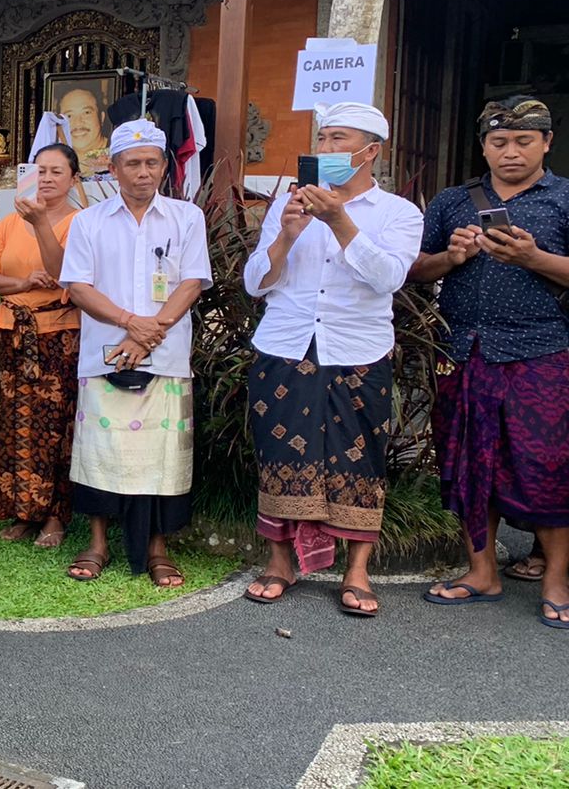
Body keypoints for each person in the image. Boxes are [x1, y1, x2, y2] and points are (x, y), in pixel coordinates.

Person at [240, 103, 422, 615]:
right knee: (278, 455)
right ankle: (279, 561)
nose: (325, 149)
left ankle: (357, 571)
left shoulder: (398, 214)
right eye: (322, 139)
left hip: (358, 350)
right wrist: (287, 235)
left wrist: (339, 220)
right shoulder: (287, 206)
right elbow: (256, 282)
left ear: (370, 151)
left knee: (359, 457)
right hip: (285, 344)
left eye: (338, 138)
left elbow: (388, 278)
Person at [411, 96, 569, 628]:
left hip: (541, 349)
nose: (511, 152)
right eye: (499, 142)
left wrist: (533, 258)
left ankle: (555, 578)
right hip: (463, 350)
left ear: (547, 142)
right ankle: (482, 570)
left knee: (547, 462)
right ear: (483, 146)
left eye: (524, 141)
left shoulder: (563, 199)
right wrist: (452, 257)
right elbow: (418, 270)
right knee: (468, 460)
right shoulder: (455, 201)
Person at [59, 120, 210, 585]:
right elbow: (78, 288)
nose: (143, 172)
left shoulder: (187, 218)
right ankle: (97, 543)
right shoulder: (88, 222)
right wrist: (129, 323)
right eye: (133, 164)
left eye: (151, 163)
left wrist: (147, 333)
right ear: (113, 169)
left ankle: (158, 548)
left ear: (165, 166)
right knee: (101, 451)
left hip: (164, 356)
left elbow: (192, 282)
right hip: (104, 353)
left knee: (161, 456)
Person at [0, 143, 84, 547]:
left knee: (53, 425)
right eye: (41, 171)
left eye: (57, 171)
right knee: (16, 423)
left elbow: (63, 274)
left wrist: (41, 224)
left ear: (74, 178)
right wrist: (21, 283)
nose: (48, 178)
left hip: (58, 333)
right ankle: (22, 511)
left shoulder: (80, 223)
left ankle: (54, 516)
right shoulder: (10, 222)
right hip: (13, 331)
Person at [59, 87, 110, 177]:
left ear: (101, 117)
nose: (78, 123)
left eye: (86, 112)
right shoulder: (57, 160)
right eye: (69, 116)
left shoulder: (118, 156)